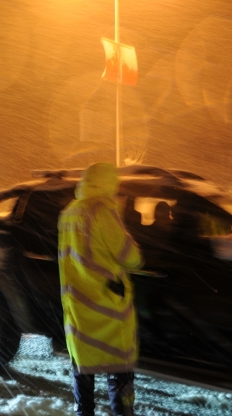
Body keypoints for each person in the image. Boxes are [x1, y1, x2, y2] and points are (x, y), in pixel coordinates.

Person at [58, 162, 144, 416]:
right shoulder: (102, 210)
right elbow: (130, 256)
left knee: (83, 378)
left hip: (78, 306)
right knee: (119, 376)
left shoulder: (69, 212)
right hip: (108, 306)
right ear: (108, 183)